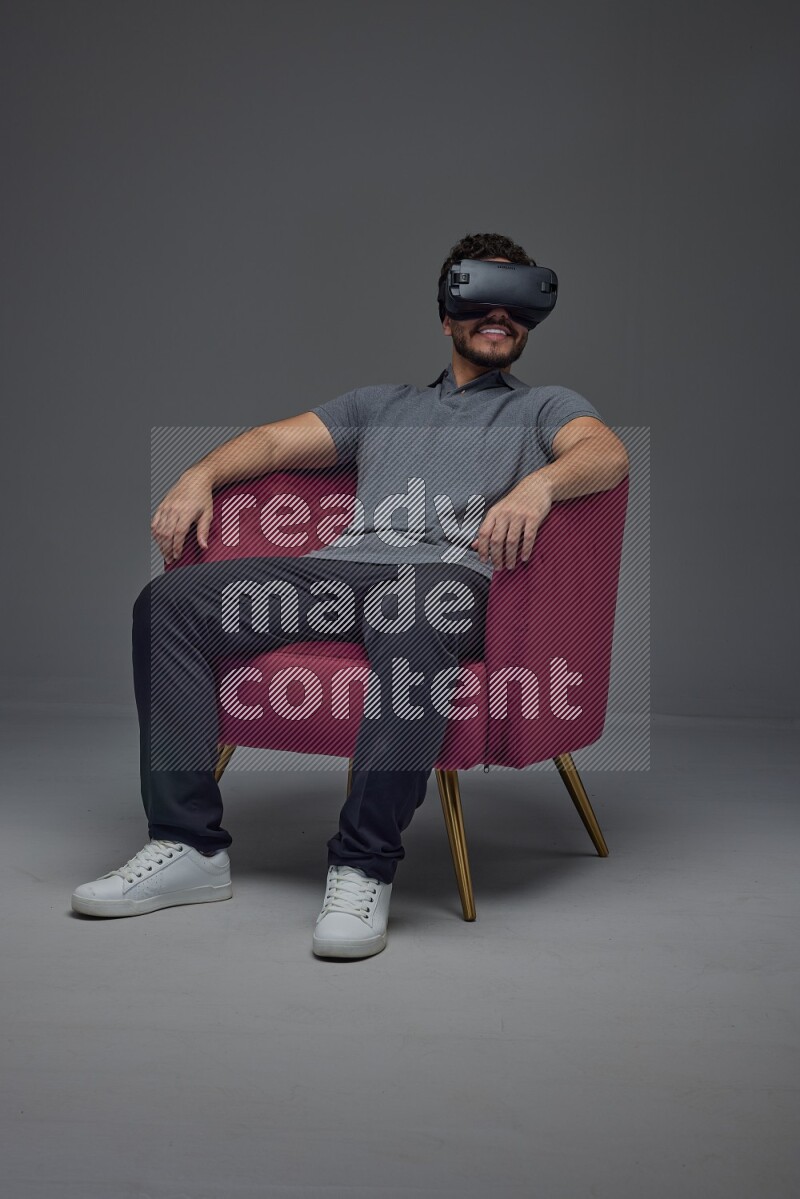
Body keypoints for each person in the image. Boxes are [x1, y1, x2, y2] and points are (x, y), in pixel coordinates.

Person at [71, 231, 629, 959]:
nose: (501, 318)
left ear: (531, 319)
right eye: (482, 301)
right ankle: (187, 847)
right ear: (447, 314)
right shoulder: (380, 405)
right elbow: (272, 444)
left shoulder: (546, 406)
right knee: (170, 601)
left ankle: (362, 863)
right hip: (340, 574)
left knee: (414, 605)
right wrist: (199, 474)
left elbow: (606, 452)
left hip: (444, 580)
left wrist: (541, 482)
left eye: (517, 306)